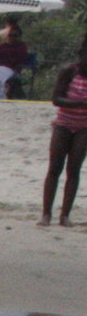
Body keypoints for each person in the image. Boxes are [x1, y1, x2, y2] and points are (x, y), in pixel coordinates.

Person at [39, 32, 87, 227]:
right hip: (63, 124)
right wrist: (80, 103)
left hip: (84, 127)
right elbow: (56, 99)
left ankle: (65, 215)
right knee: (54, 169)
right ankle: (46, 214)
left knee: (73, 170)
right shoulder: (69, 71)